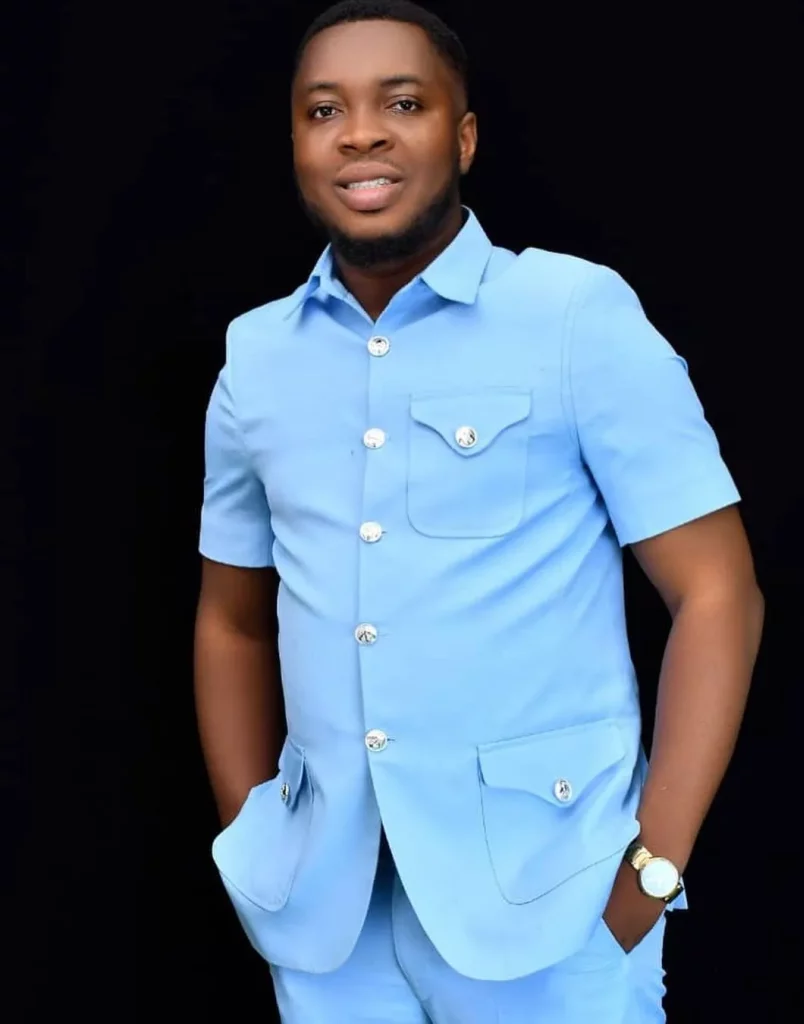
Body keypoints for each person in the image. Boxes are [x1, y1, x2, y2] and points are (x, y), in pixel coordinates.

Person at [193, 2, 764, 1021]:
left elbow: (718, 592)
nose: (359, 134)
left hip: (553, 905)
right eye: (324, 110)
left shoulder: (574, 315)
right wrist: (253, 835)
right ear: (296, 144)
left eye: (401, 103)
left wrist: (655, 868)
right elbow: (231, 619)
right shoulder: (256, 357)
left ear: (462, 137)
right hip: (325, 917)